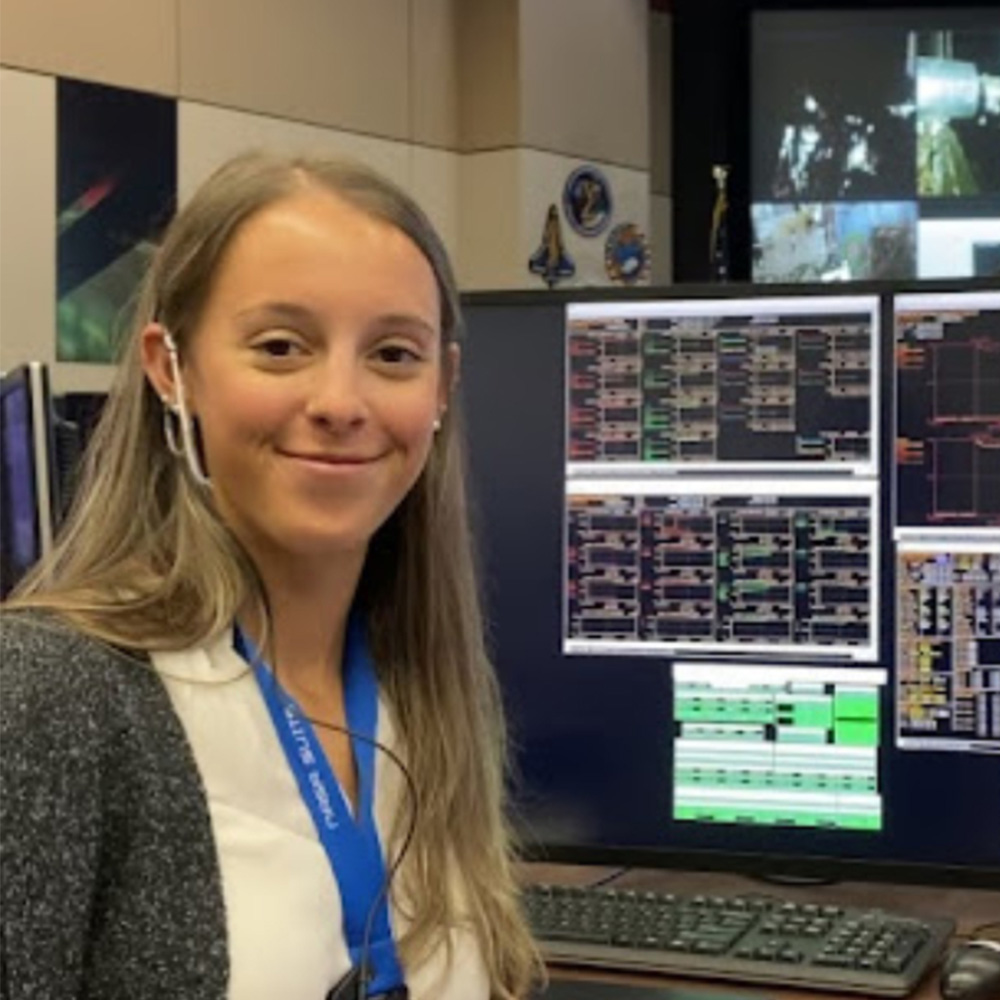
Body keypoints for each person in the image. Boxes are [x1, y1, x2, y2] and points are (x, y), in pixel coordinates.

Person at [0, 151, 542, 1000]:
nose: (341, 401)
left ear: (444, 386)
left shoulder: (424, 690)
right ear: (170, 368)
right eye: (281, 346)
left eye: (395, 354)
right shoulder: (50, 698)